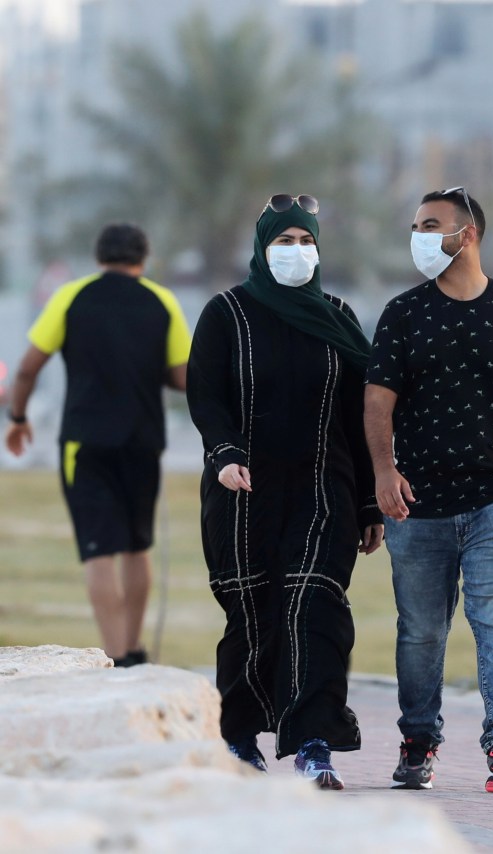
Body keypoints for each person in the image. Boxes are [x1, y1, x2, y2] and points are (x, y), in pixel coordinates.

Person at [364, 187, 493, 794]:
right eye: (416, 226)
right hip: (418, 502)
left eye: (432, 225)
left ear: (469, 234)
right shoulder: (402, 314)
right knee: (422, 631)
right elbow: (377, 401)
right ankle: (418, 741)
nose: (421, 236)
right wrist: (384, 471)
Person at [187, 193, 383, 789]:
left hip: (326, 489)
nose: (296, 252)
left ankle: (313, 745)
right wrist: (223, 454)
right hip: (242, 490)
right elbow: (205, 394)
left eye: (306, 242)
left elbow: (359, 414)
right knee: (252, 613)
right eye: (283, 241)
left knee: (316, 607)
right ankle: (239, 739)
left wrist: (372, 502)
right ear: (260, 246)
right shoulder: (226, 313)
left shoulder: (338, 315)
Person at [5, 223, 191, 667]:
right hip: (144, 440)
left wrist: (17, 418)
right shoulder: (161, 300)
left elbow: (28, 368)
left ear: (99, 258)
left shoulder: (71, 296)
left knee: (99, 550)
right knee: (135, 546)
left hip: (85, 442)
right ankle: (135, 649)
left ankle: (114, 656)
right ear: (142, 260)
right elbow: (184, 376)